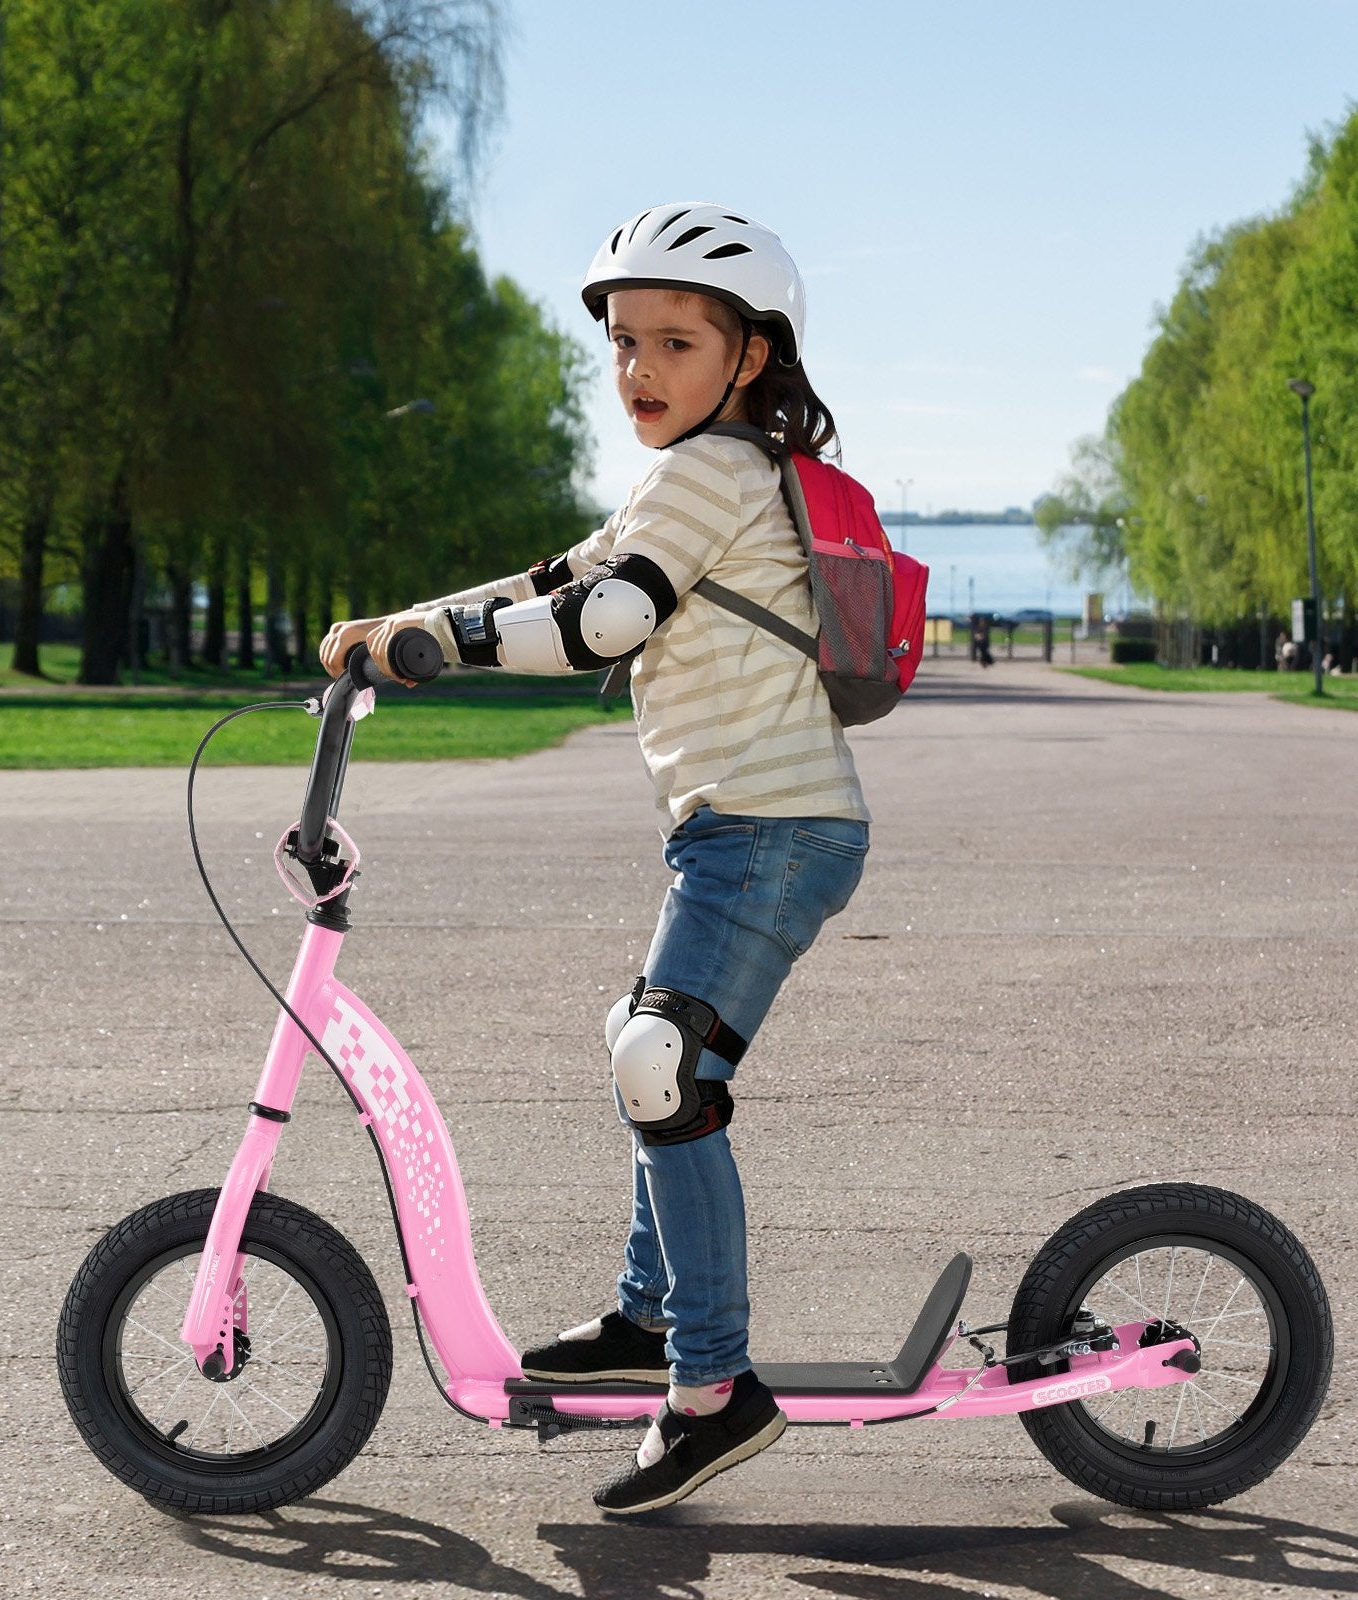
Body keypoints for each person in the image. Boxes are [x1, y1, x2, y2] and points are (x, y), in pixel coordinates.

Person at [320, 203, 871, 1514]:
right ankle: (644, 1324)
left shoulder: (716, 472)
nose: (641, 369)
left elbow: (607, 618)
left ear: (749, 359)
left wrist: (438, 649)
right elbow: (564, 572)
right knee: (650, 1045)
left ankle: (711, 1389)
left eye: (677, 341)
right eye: (625, 341)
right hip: (748, 829)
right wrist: (418, 621)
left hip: (771, 828)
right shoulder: (685, 475)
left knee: (659, 1063)